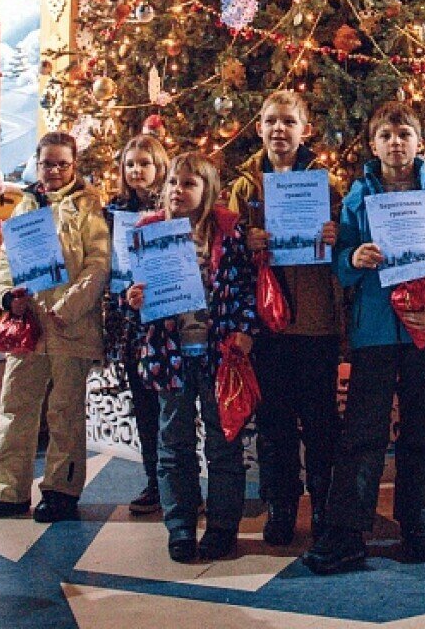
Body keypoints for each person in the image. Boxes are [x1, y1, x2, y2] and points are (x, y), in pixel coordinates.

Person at [303, 101, 425, 575]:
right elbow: (341, 260)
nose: (395, 143)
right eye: (386, 136)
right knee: (363, 431)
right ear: (373, 145)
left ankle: (418, 524)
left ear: (418, 142)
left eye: (404, 134)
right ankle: (347, 532)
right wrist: (353, 258)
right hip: (375, 332)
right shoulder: (359, 196)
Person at [0, 131, 110, 523]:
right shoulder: (25, 206)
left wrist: (69, 305)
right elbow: (5, 265)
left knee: (65, 412)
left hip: (70, 326)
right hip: (30, 328)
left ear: (74, 166)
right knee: (15, 406)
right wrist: (8, 297)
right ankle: (6, 490)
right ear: (37, 164)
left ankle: (61, 490)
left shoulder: (88, 206)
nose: (55, 170)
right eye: (48, 163)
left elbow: (98, 265)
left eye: (63, 164)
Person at [127, 152, 256, 563]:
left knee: (223, 444)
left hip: (218, 354)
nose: (178, 191)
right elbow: (131, 290)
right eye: (173, 183)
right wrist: (134, 299)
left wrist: (244, 330)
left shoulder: (228, 232)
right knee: (174, 443)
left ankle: (221, 527)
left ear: (208, 190)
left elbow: (245, 287)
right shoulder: (149, 233)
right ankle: (180, 525)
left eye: (189, 184)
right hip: (171, 354)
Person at [228, 89, 342, 546]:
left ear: (304, 130)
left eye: (289, 122)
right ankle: (281, 505)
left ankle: (325, 505)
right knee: (274, 423)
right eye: (271, 120)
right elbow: (225, 253)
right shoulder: (244, 186)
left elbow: (348, 248)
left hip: (315, 321)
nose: (280, 129)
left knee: (320, 421)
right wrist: (245, 242)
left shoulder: (326, 185)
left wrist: (335, 233)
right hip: (266, 326)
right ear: (259, 128)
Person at [103, 133, 170, 516]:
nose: (136, 170)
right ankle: (153, 480)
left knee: (169, 405)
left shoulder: (172, 205)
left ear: (160, 167)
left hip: (163, 317)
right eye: (130, 164)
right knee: (143, 405)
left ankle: (177, 481)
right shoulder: (113, 211)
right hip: (129, 320)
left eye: (144, 163)